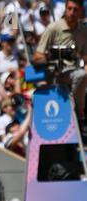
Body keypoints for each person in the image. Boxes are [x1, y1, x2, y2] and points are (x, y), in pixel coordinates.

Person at [33, 0, 87, 139]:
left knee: (81, 75)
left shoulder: (83, 30)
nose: (72, 13)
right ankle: (80, 113)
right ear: (65, 8)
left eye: (75, 10)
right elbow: (37, 57)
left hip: (74, 71)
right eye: (69, 9)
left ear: (81, 11)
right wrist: (50, 57)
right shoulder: (53, 28)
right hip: (56, 73)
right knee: (80, 75)